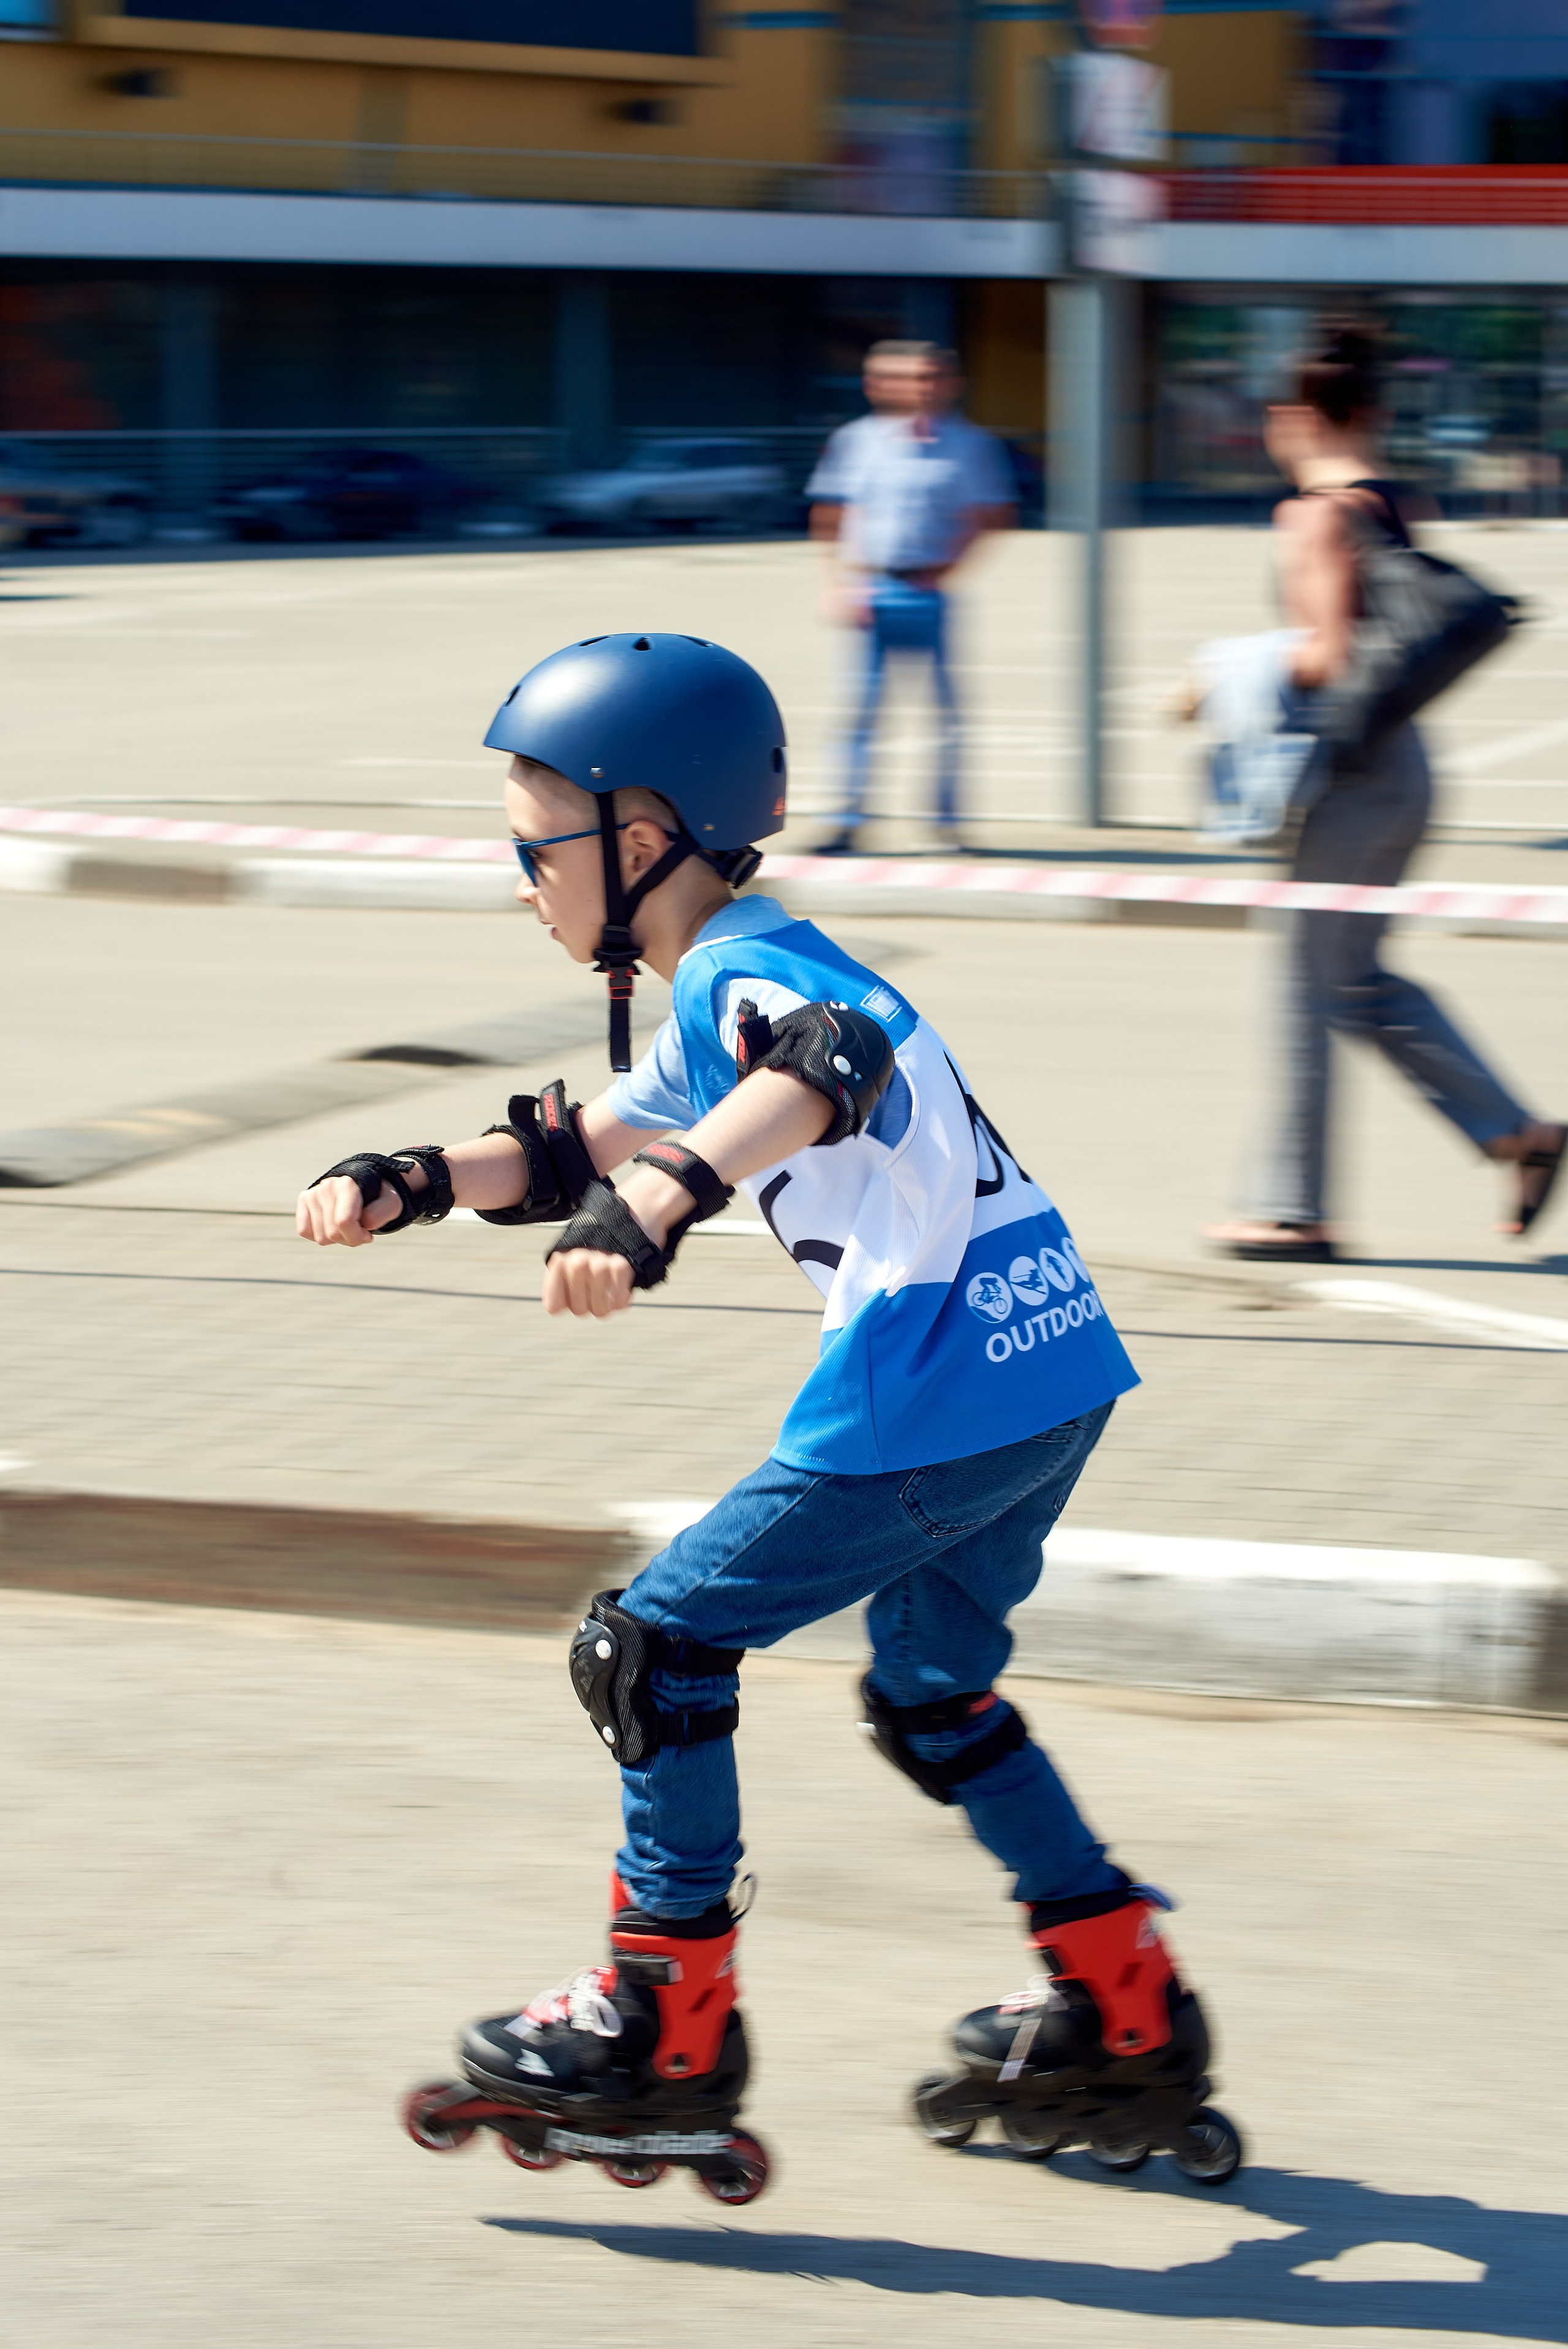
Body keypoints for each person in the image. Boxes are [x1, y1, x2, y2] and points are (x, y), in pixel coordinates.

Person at [298, 633, 1240, 2200]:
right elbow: (570, 1144)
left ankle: (663, 2017)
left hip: (930, 1388)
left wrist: (656, 1206)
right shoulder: (731, 975)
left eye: (536, 842)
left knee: (655, 1645)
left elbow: (826, 1063)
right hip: (1048, 1368)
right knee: (932, 1696)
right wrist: (406, 1179)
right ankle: (1121, 1994)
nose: (521, 876)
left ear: (640, 838)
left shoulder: (762, 976)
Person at [1208, 328, 1565, 1262]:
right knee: (1354, 982)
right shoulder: (1399, 500)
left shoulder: (1313, 515)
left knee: (1305, 989)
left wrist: (1222, 670)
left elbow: (1325, 655)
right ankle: (1515, 1133)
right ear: (1372, 411)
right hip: (1403, 766)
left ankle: (1294, 1210)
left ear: (1294, 416)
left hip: (1345, 778)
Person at [807, 340, 1016, 854]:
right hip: (870, 590)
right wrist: (837, 582)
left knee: (945, 712)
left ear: (950, 383)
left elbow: (991, 515)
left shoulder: (970, 444)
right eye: (901, 377)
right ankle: (846, 820)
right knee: (860, 710)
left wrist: (946, 569)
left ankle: (947, 822)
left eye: (928, 377)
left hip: (928, 593)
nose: (916, 388)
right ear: (875, 385)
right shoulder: (856, 441)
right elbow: (833, 515)